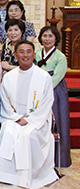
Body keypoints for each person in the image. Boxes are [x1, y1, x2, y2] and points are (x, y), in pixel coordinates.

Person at [0, 40, 59, 188]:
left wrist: (31, 120)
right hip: (14, 118)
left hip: (37, 121)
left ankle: (27, 176)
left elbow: (47, 103)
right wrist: (17, 118)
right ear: (16, 55)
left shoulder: (43, 77)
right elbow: (4, 102)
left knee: (26, 136)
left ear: (34, 54)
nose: (25, 55)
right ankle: (7, 175)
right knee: (7, 132)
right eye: (21, 52)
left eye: (28, 51)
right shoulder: (9, 77)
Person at [36, 26, 71, 167]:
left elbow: (58, 76)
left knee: (59, 121)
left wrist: (45, 87)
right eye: (44, 36)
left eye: (50, 36)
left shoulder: (60, 56)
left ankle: (60, 159)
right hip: (38, 89)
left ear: (56, 38)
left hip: (55, 90)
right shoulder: (37, 53)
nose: (47, 39)